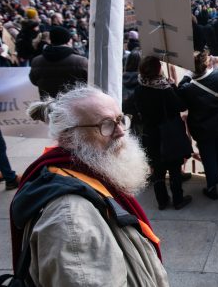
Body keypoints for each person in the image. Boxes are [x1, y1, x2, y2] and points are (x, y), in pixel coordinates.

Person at [10, 86, 169, 286]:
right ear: (69, 137)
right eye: (106, 125)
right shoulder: (71, 221)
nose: (120, 132)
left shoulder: (86, 174)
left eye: (120, 120)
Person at [134, 56, 192, 210]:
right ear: (158, 69)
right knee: (174, 169)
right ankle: (178, 200)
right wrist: (173, 86)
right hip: (169, 134)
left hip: (151, 134)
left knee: (158, 170)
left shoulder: (139, 87)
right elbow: (181, 106)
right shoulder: (165, 89)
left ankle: (162, 201)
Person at [179, 51, 218, 200]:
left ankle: (212, 187)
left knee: (208, 154)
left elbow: (180, 96)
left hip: (202, 127)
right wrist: (216, 66)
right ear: (205, 64)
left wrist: (186, 75)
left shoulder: (187, 88)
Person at [29, 26, 88, 98]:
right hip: (73, 104)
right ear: (69, 40)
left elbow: (34, 81)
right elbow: (89, 82)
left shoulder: (36, 61)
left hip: (48, 104)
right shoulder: (81, 61)